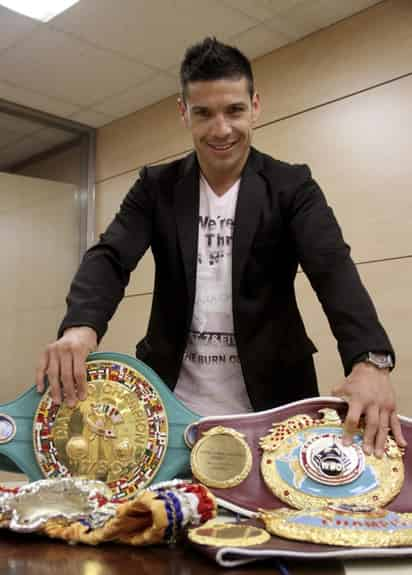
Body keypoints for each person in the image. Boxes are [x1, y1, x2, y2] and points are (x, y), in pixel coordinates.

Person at [36, 37, 406, 459]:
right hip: (172, 407)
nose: (221, 129)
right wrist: (80, 329)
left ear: (256, 106)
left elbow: (333, 268)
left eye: (234, 110)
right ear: (183, 112)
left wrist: (370, 360)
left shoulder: (292, 186)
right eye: (203, 113)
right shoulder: (155, 188)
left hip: (273, 407)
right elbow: (111, 257)